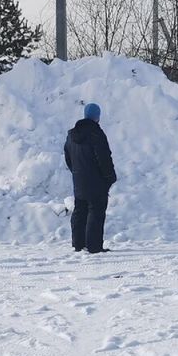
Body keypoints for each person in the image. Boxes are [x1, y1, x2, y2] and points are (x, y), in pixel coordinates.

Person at [64, 103, 117, 253]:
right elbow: (104, 158)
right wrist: (109, 177)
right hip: (97, 182)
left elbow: (68, 157)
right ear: (97, 117)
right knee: (96, 211)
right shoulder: (96, 134)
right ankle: (94, 247)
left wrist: (76, 172)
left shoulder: (71, 136)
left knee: (80, 211)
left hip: (79, 180)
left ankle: (79, 244)